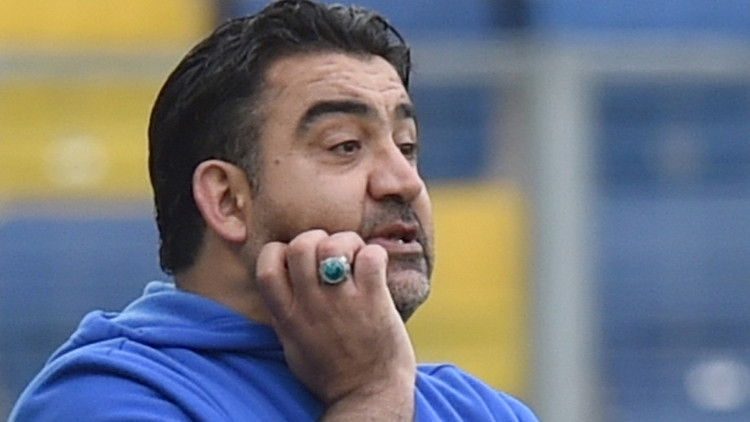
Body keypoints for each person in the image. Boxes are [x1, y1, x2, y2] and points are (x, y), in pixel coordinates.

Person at [10, 1, 539, 420]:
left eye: (407, 146)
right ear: (227, 201)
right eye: (345, 145)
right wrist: (370, 399)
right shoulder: (102, 400)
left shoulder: (479, 410)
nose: (404, 181)